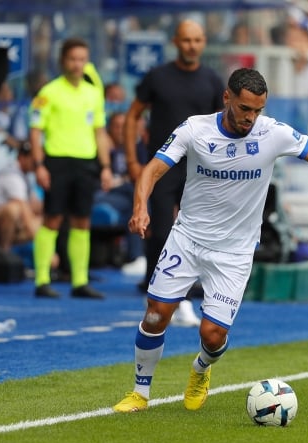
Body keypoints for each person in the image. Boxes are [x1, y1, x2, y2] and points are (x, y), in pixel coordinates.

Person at [113, 68, 308, 413]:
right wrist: (141, 208)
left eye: (258, 110)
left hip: (235, 251)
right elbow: (153, 169)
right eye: (245, 109)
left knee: (212, 335)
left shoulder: (273, 133)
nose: (251, 118)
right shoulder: (195, 129)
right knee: (155, 315)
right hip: (187, 238)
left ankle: (200, 369)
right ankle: (140, 393)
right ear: (227, 98)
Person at [123, 19, 224, 322]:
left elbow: (223, 125)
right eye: (186, 40)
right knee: (162, 231)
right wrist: (131, 161)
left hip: (201, 168)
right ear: (175, 42)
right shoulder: (158, 77)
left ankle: (197, 291)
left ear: (203, 42)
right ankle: (158, 294)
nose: (191, 46)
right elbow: (132, 117)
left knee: (204, 229)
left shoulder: (213, 81)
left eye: (197, 40)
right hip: (165, 165)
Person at [29, 37, 112, 299]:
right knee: (52, 219)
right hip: (57, 161)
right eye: (73, 59)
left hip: (85, 162)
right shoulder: (49, 92)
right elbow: (35, 131)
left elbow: (100, 131)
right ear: (63, 61)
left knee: (82, 221)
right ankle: (42, 279)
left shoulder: (93, 93)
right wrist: (39, 165)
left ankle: (80, 281)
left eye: (82, 59)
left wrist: (106, 166)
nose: (78, 65)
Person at [92, 112, 146, 268]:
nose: (120, 130)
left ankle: (138, 256)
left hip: (123, 196)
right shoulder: (102, 149)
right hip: (102, 194)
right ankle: (137, 256)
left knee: (135, 202)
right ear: (109, 129)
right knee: (136, 200)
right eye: (116, 127)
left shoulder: (136, 148)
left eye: (124, 127)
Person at [0, 141, 42, 251]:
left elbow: (35, 204)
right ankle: (3, 252)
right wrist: (46, 251)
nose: (37, 163)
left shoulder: (24, 175)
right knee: (14, 210)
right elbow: (25, 214)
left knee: (47, 219)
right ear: (22, 157)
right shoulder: (12, 176)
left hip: (2, 221)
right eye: (34, 160)